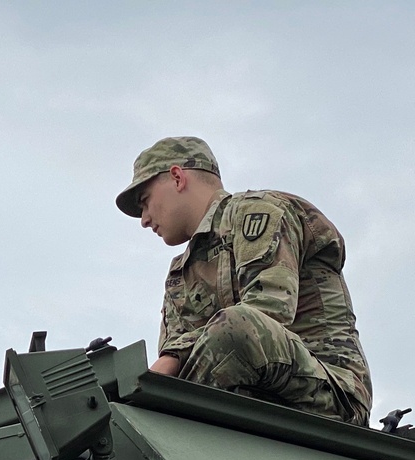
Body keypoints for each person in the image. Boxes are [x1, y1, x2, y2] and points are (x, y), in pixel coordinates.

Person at [115, 136, 372, 426]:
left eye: (145, 202)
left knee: (238, 327)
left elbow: (268, 311)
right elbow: (182, 365)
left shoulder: (257, 212)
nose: (145, 219)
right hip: (251, 395)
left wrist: (168, 365)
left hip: (330, 391)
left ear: (177, 178)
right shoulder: (180, 274)